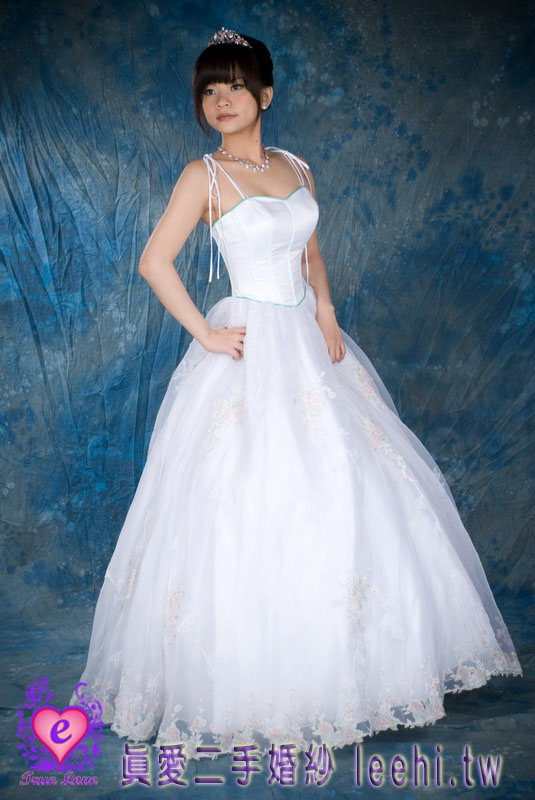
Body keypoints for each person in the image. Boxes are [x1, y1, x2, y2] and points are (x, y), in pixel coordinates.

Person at [70, 27, 522, 761]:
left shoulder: (297, 166)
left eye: (235, 86)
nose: (222, 101)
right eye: (209, 90)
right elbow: (155, 261)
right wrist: (206, 335)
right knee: (249, 492)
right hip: (248, 344)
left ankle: (354, 670)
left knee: (346, 481)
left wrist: (327, 309)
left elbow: (310, 250)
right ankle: (257, 681)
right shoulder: (203, 177)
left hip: (309, 343)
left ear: (265, 94)